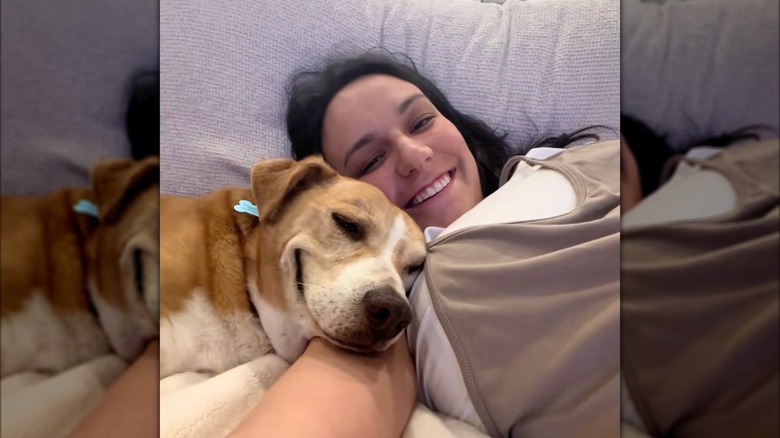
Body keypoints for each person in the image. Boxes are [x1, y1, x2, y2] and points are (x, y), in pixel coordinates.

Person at [230, 51, 619, 437]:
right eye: (371, 161)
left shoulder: (560, 163)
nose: (415, 156)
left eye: (421, 122)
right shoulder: (390, 314)